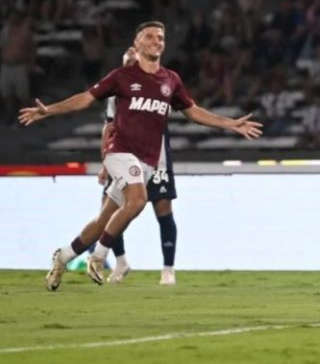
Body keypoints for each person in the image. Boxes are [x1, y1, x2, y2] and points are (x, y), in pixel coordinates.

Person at [19, 21, 263, 291]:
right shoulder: (122, 76)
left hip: (146, 161)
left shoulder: (171, 80)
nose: (156, 41)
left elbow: (193, 112)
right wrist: (48, 111)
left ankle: (62, 257)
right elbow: (86, 99)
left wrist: (231, 124)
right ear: (137, 45)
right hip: (120, 153)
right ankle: (99, 258)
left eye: (160, 37)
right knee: (138, 200)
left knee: (103, 221)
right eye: (149, 36)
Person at [96, 46, 181, 285]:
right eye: (127, 62)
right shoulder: (116, 92)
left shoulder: (159, 84)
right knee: (109, 210)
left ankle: (168, 269)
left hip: (157, 158)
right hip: (123, 158)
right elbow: (109, 126)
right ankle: (121, 262)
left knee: (163, 209)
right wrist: (104, 162)